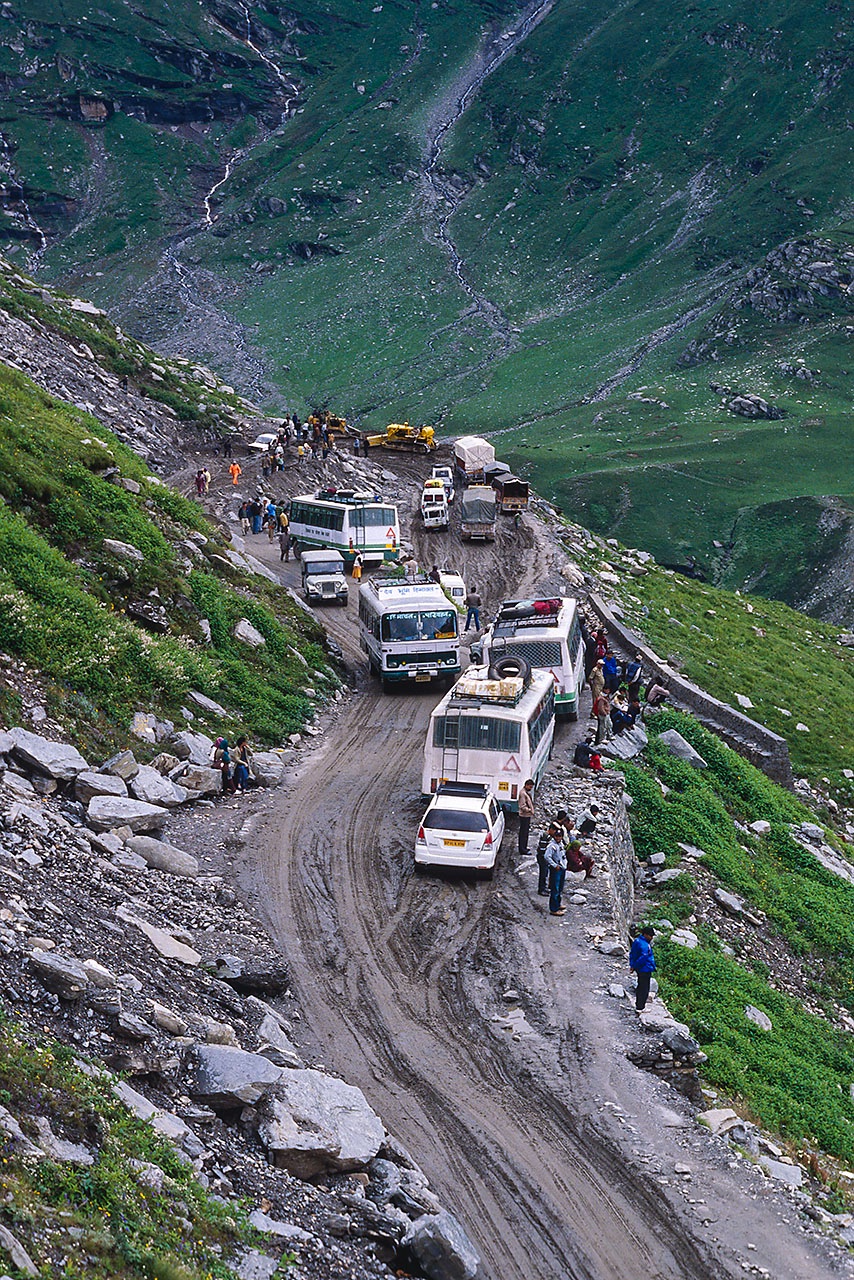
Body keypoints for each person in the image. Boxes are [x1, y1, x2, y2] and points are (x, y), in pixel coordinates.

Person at [629, 926, 656, 1011]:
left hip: (639, 969)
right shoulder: (645, 945)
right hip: (645, 968)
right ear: (645, 935)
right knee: (644, 989)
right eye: (650, 936)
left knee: (640, 986)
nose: (651, 938)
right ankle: (640, 1007)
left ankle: (639, 1005)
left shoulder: (637, 941)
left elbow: (632, 954)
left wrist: (632, 965)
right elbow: (643, 957)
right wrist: (636, 966)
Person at [544, 825, 568, 916]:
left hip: (562, 867)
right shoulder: (551, 846)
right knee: (555, 888)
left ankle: (558, 904)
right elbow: (547, 857)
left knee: (560, 888)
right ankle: (553, 909)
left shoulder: (561, 844)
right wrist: (554, 865)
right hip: (556, 869)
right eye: (557, 836)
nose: (558, 838)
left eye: (559, 836)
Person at [517, 778, 535, 857]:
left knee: (525, 832)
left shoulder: (525, 792)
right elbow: (522, 806)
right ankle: (522, 849)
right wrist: (530, 810)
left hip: (526, 815)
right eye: (530, 787)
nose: (531, 789)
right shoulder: (523, 793)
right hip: (524, 815)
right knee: (523, 833)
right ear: (526, 785)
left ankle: (524, 847)